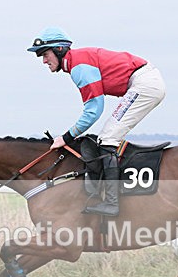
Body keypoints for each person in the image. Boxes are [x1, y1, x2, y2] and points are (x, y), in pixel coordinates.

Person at [28, 27, 166, 216]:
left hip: (144, 84)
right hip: (144, 82)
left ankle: (111, 203)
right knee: (107, 136)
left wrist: (66, 138)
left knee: (108, 138)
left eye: (45, 54)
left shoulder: (79, 67)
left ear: (59, 50)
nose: (44, 61)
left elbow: (94, 110)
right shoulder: (76, 62)